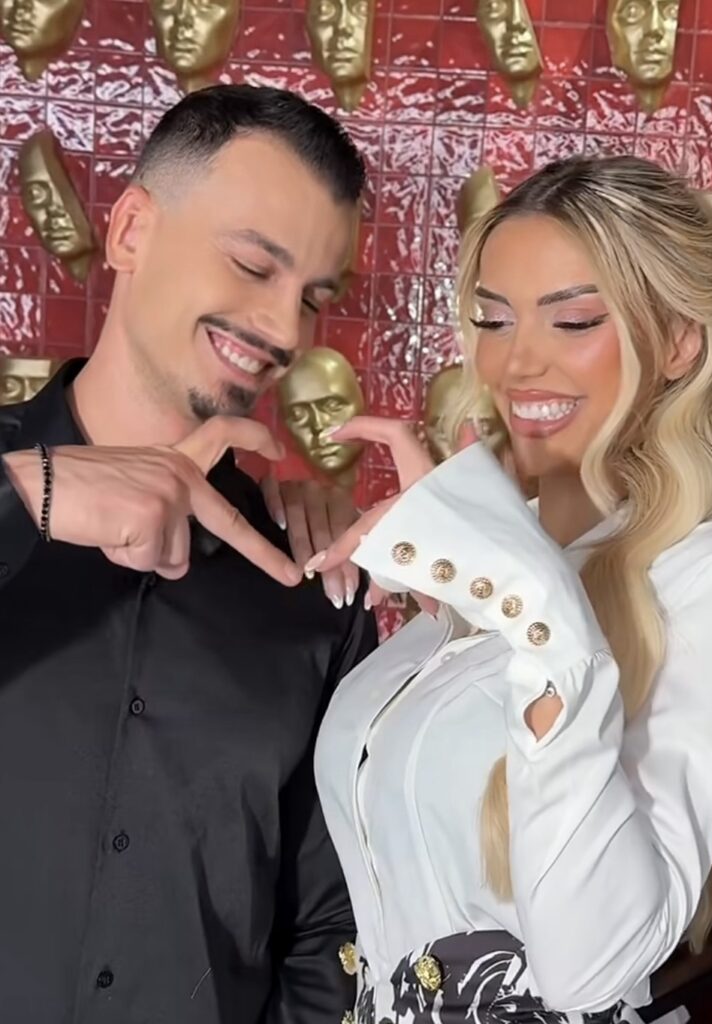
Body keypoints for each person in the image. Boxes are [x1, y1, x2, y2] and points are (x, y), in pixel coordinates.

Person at [307, 155, 712, 1022]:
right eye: (492, 319)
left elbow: (593, 964)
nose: (517, 361)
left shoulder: (710, 572)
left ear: (679, 343)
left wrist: (517, 588)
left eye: (572, 320)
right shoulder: (477, 573)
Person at [0, 85, 377, 1024]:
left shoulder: (311, 584)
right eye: (252, 264)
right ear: (131, 230)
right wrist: (27, 495)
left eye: (312, 299)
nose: (285, 332)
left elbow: (327, 933)